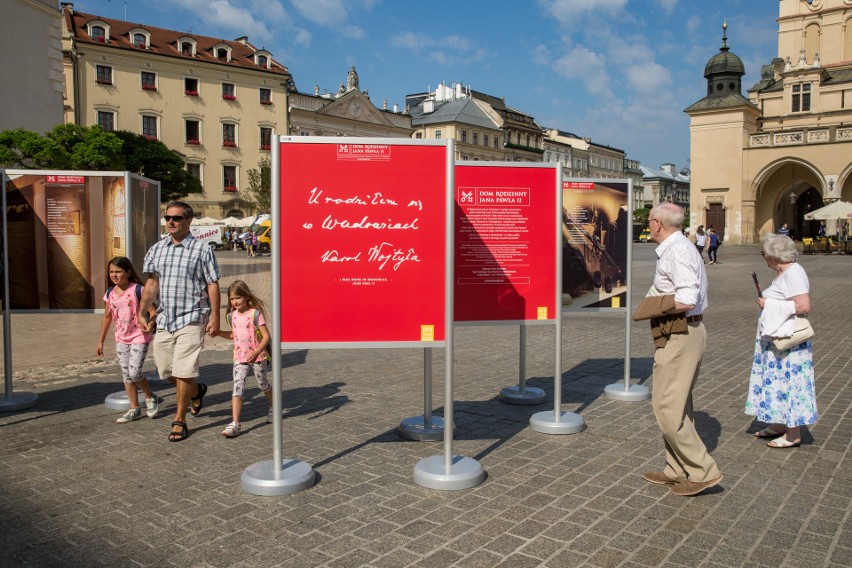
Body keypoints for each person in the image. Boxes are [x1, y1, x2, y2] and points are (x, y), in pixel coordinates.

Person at [641, 203, 722, 496]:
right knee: (679, 405)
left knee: (666, 406)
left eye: (650, 220)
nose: (648, 225)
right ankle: (676, 469)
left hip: (681, 332)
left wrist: (652, 306)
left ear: (658, 224)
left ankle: (703, 471)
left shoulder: (676, 251)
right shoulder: (680, 247)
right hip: (684, 331)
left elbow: (687, 298)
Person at [138, 201, 221, 442]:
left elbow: (212, 284)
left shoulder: (202, 250)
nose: (171, 222)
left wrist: (215, 317)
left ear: (188, 221)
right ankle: (196, 391)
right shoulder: (158, 248)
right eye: (168, 218)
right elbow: (152, 284)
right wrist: (141, 311)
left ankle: (179, 419)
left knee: (184, 370)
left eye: (176, 218)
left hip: (193, 316)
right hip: (165, 317)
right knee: (165, 370)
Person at [746, 235, 817, 448]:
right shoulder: (784, 272)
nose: (763, 257)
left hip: (788, 341)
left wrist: (769, 303)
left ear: (774, 256)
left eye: (764, 253)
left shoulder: (793, 273)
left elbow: (804, 306)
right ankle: (779, 424)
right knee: (776, 381)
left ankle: (793, 433)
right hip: (777, 338)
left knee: (789, 383)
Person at [97, 256, 159, 423]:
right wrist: (100, 341)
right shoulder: (110, 293)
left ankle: (150, 396)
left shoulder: (138, 289)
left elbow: (153, 311)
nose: (114, 275)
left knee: (134, 372)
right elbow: (107, 317)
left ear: (128, 272)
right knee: (126, 374)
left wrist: (151, 322)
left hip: (140, 335)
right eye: (111, 272)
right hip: (121, 337)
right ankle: (134, 408)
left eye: (118, 271)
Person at [212, 280, 274, 438]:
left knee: (263, 384)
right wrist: (218, 333)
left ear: (246, 297)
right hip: (240, 358)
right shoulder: (232, 316)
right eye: (232, 299)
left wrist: (257, 351)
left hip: (258, 357)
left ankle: (274, 406)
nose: (234, 302)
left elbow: (266, 336)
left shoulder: (255, 314)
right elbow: (234, 335)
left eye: (237, 298)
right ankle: (235, 423)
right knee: (237, 388)